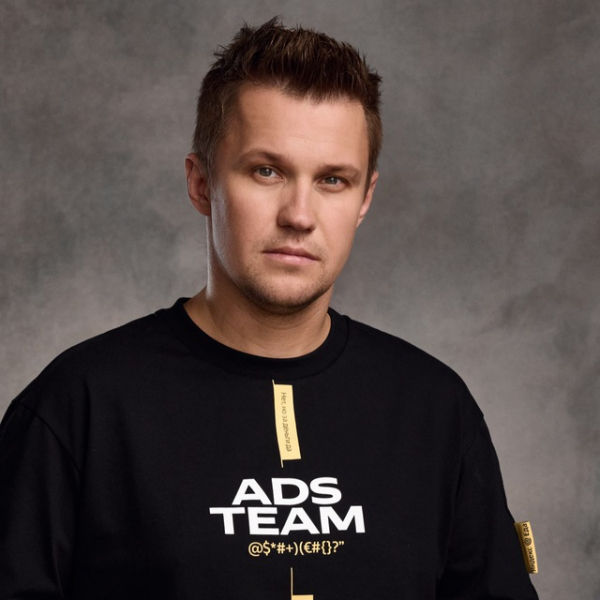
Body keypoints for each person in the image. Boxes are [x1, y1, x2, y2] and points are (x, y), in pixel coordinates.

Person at [0, 18, 538, 599]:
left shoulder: (435, 410)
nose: (299, 215)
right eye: (267, 171)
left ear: (364, 199)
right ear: (201, 183)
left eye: (333, 180)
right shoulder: (77, 407)